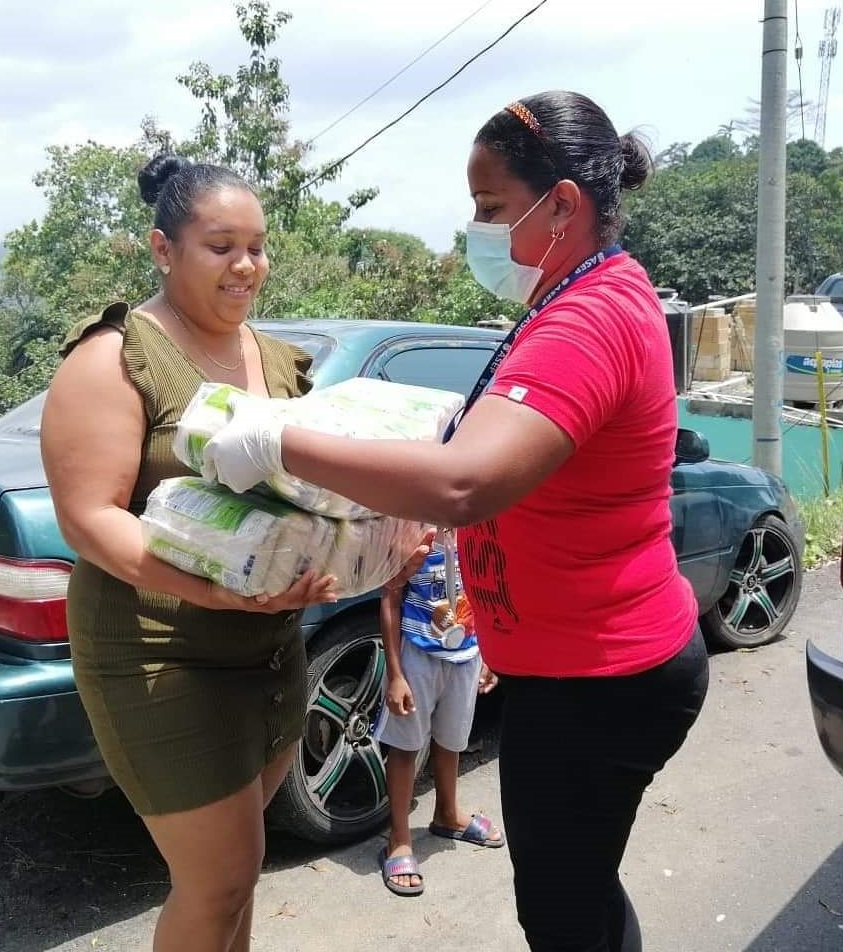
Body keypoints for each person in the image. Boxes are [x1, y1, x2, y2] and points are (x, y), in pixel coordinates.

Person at [205, 91, 711, 952]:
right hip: (586, 665)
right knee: (578, 894)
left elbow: (464, 485)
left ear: (563, 206)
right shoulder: (577, 293)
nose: (473, 230)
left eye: (490, 209)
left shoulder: (589, 318)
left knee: (564, 912)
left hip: (598, 679)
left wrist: (279, 438)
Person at [40, 153, 428, 952]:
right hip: (158, 647)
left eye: (256, 246)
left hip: (268, 639)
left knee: (239, 873)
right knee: (216, 878)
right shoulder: (114, 358)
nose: (246, 265)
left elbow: (306, 495)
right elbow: (89, 519)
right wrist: (215, 593)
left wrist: (383, 535)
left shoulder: (278, 362)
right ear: (162, 249)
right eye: (221, 246)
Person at [375, 530, 502, 897]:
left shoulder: (477, 526)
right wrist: (396, 675)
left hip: (466, 653)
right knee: (405, 745)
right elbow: (390, 597)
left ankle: (447, 813)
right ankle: (398, 839)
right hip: (418, 654)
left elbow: (485, 588)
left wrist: (489, 653)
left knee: (452, 738)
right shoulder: (410, 529)